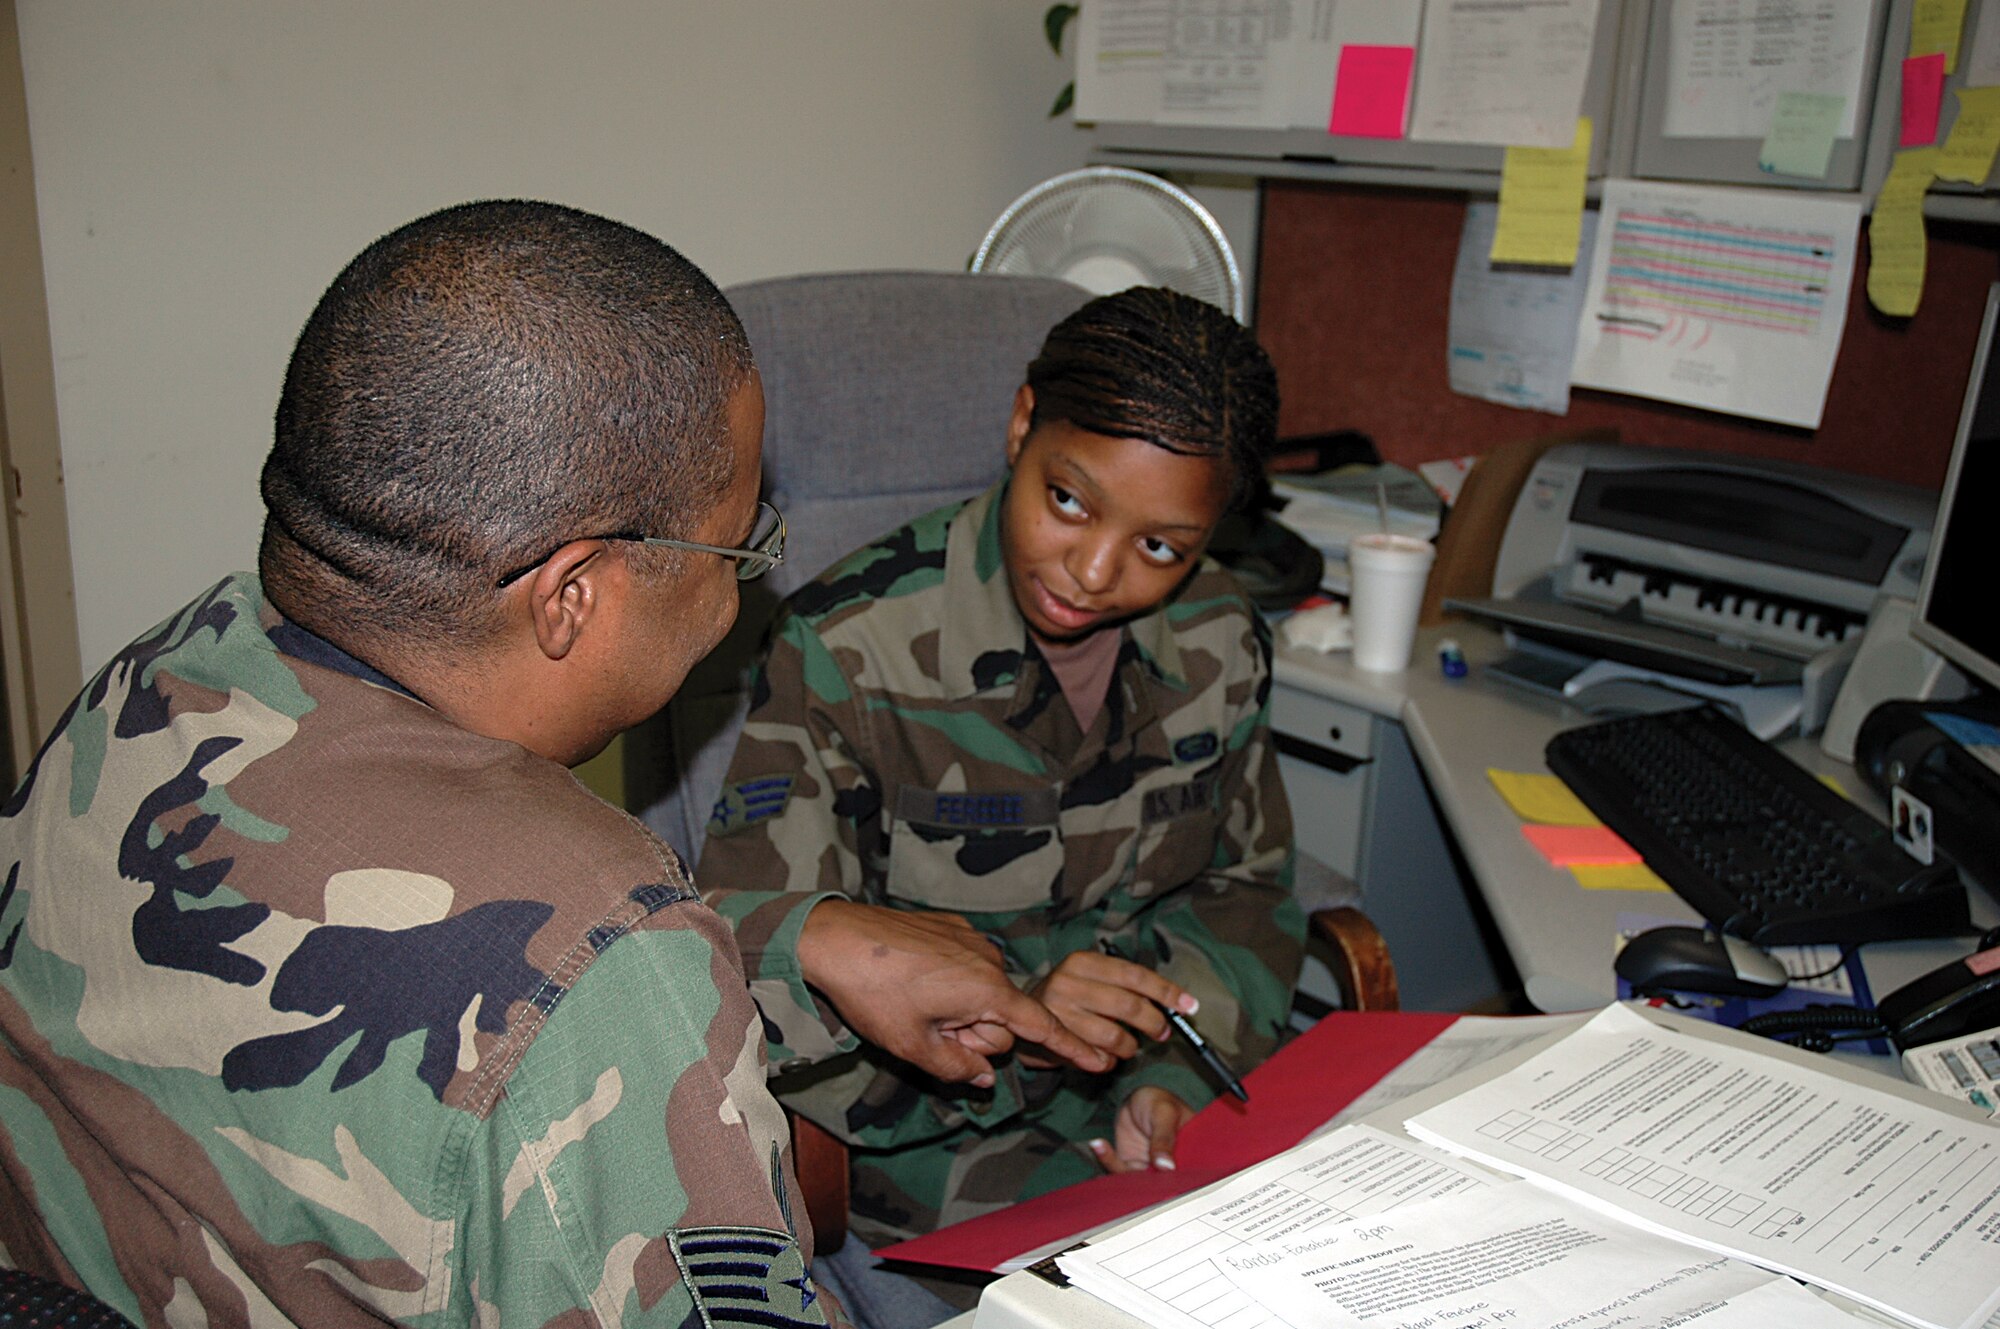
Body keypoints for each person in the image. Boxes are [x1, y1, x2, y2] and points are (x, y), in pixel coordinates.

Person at [0, 201, 1103, 1328]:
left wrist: (797, 942)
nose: (743, 593)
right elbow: (562, 981)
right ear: (575, 595)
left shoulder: (152, 679)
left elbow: (408, 943)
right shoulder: (617, 967)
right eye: (739, 546)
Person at [699, 287, 1306, 1265]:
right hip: (944, 1137)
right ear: (1023, 423)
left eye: (1160, 547)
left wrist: (1176, 1085)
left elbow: (1242, 894)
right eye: (1067, 501)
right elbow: (755, 954)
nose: (1094, 571)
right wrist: (1025, 1026)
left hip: (1157, 1104)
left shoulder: (1217, 639)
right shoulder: (849, 650)